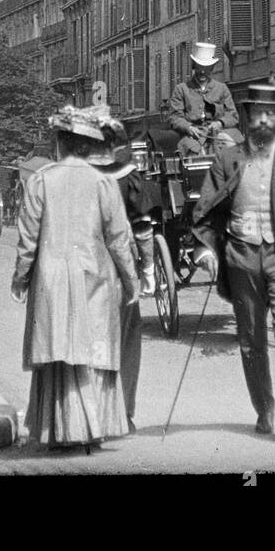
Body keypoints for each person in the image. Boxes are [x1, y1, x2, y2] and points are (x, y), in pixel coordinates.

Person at [192, 81, 275, 443]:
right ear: (246, 117)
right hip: (241, 257)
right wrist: (206, 250)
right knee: (250, 340)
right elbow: (204, 211)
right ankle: (264, 407)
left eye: (270, 114)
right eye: (257, 114)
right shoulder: (227, 159)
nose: (263, 120)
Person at [12, 104, 139, 452]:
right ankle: (93, 426)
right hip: (95, 275)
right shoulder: (103, 183)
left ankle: (60, 427)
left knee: (59, 350)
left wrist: (20, 279)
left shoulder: (41, 180)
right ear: (87, 145)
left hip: (51, 277)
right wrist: (131, 281)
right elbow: (119, 239)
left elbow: (28, 240)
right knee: (93, 351)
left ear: (61, 143)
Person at [90, 132, 155, 428]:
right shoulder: (128, 176)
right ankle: (123, 412)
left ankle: (94, 412)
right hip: (120, 265)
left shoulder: (82, 174)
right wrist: (149, 269)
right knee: (127, 338)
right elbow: (142, 227)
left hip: (86, 264)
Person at [168, 41, 241, 155]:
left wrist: (220, 123)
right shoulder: (181, 89)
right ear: (194, 66)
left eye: (206, 68)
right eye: (199, 67)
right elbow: (174, 117)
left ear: (212, 68)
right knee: (191, 152)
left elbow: (233, 115)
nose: (202, 71)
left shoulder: (222, 88)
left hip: (219, 134)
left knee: (238, 149)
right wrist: (189, 128)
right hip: (192, 137)